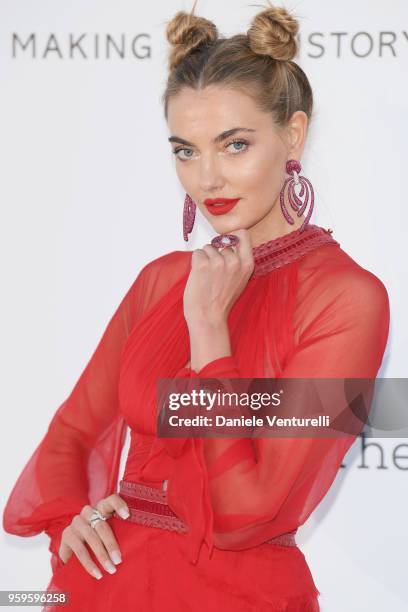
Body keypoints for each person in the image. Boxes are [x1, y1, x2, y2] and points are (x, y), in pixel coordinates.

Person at [2, 2, 390, 611]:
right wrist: (65, 522)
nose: (206, 178)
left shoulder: (346, 299)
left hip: (236, 596)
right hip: (102, 590)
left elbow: (244, 512)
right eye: (185, 151)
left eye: (234, 145)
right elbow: (73, 432)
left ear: (293, 134)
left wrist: (210, 329)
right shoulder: (161, 281)